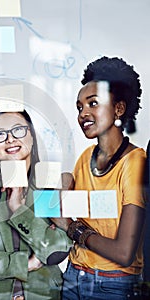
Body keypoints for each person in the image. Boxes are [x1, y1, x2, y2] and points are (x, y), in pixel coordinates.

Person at [53, 56, 146, 299]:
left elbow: (124, 252)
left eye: (93, 103)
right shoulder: (85, 158)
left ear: (119, 108)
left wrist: (73, 228)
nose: (83, 113)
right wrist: (61, 186)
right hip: (74, 277)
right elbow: (53, 212)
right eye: (79, 107)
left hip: (114, 285)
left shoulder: (136, 162)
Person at [0, 107, 72, 300]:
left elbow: (56, 249)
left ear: (32, 136)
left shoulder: (48, 184)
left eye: (18, 130)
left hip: (43, 295)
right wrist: (24, 264)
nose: (10, 139)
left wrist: (18, 209)